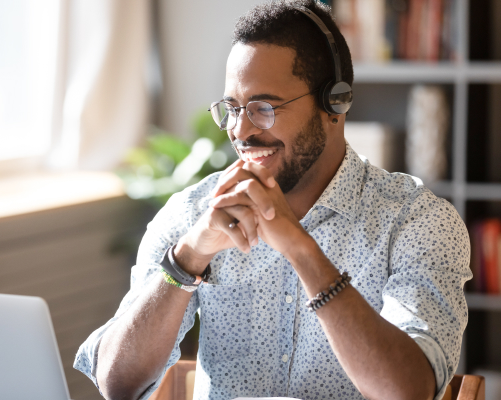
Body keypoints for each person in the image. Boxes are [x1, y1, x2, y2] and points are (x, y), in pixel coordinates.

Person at [74, 1, 471, 399]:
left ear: (335, 103)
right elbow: (117, 386)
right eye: (232, 108)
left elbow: (410, 391)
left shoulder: (418, 222)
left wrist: (301, 249)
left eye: (264, 108)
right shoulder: (195, 212)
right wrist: (188, 258)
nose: (240, 131)